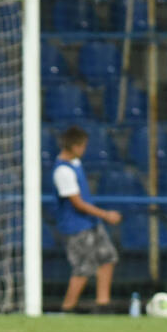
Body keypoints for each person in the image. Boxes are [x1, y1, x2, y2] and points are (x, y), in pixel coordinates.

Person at [53, 125, 122, 313]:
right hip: (76, 226)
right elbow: (78, 204)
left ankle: (103, 303)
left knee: (108, 257)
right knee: (83, 267)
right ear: (74, 146)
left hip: (91, 223)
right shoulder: (63, 172)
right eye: (83, 146)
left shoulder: (75, 164)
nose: (84, 150)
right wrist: (106, 215)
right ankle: (67, 308)